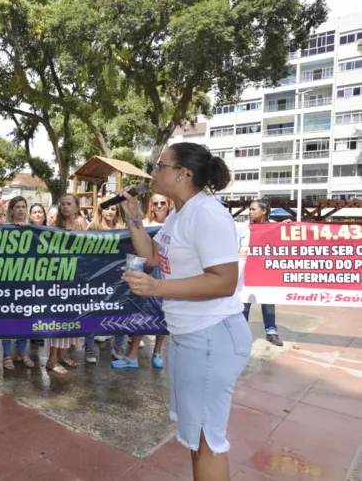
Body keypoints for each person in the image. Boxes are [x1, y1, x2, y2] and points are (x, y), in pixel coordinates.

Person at [120, 142, 252, 480]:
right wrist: (134, 218)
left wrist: (156, 287)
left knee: (207, 438)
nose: (153, 173)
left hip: (211, 336)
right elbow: (152, 256)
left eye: (160, 165)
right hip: (189, 336)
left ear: (183, 173)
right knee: (197, 437)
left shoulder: (206, 213)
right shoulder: (180, 214)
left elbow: (224, 281)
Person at [116, 193, 175, 369]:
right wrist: (133, 215)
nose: (159, 206)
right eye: (155, 203)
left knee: (163, 314)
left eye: (162, 202)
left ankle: (157, 352)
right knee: (142, 313)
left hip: (169, 277)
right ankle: (132, 355)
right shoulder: (146, 223)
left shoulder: (176, 221)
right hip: (148, 273)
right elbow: (148, 255)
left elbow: (222, 281)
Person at [83, 195, 125, 364]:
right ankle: (89, 346)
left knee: (121, 309)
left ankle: (120, 345)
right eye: (106, 207)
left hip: (117, 278)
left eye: (113, 208)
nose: (109, 211)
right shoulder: (92, 227)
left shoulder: (123, 228)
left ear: (117, 211)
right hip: (96, 278)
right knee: (91, 310)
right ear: (100, 209)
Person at [46, 194, 84, 375]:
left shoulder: (81, 225)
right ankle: (51, 359)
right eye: (62, 204)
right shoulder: (55, 226)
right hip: (59, 279)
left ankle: (62, 355)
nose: (64, 207)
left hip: (75, 278)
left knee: (70, 319)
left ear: (76, 206)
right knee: (58, 320)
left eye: (69, 204)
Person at [241, 198, 283, 347]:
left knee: (268, 303)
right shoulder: (245, 227)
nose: (250, 212)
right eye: (250, 209)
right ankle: (242, 334)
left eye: (253, 209)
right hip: (248, 271)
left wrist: (288, 226)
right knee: (244, 303)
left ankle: (271, 332)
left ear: (264, 211)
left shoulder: (275, 227)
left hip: (266, 272)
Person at [1, 196, 35, 370]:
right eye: (18, 207)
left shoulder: (34, 229)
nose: (21, 210)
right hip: (8, 280)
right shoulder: (3, 228)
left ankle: (22, 351)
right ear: (11, 210)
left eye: (24, 207)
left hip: (27, 281)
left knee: (25, 316)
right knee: (8, 317)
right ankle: (7, 353)